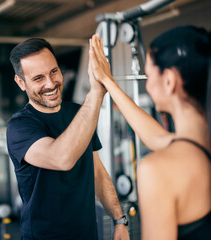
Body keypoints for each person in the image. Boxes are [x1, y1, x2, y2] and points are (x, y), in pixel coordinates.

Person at [88, 26, 211, 239]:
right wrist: (108, 81)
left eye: (148, 75)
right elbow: (157, 138)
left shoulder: (158, 169)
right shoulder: (197, 150)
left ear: (169, 81)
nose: (149, 86)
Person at [6, 38, 130, 239]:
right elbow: (61, 158)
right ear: (21, 82)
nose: (50, 83)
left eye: (54, 71)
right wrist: (97, 91)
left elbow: (97, 172)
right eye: (38, 78)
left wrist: (119, 221)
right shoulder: (19, 127)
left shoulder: (78, 113)